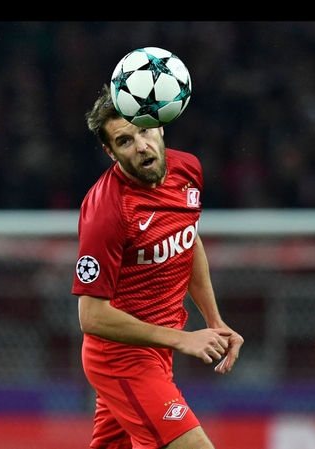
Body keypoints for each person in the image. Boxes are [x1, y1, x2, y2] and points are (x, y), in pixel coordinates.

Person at [72, 86, 244, 449]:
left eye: (145, 130)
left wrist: (214, 320)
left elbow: (188, 240)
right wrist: (183, 339)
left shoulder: (188, 169)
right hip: (119, 357)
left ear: (161, 125)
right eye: (125, 141)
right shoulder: (107, 211)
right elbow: (91, 316)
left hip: (156, 352)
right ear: (110, 151)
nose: (142, 146)